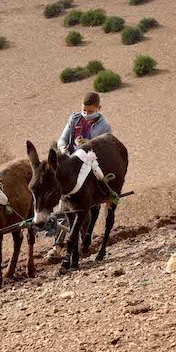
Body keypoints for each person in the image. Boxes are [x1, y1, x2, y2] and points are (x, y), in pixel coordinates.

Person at [46, 92, 112, 261]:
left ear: (99, 108)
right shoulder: (74, 119)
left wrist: (85, 146)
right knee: (64, 204)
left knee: (91, 207)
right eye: (84, 110)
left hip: (89, 168)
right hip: (69, 168)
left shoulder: (104, 127)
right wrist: (64, 152)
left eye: (90, 111)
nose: (86, 114)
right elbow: (62, 140)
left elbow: (103, 148)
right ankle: (57, 246)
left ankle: (84, 240)